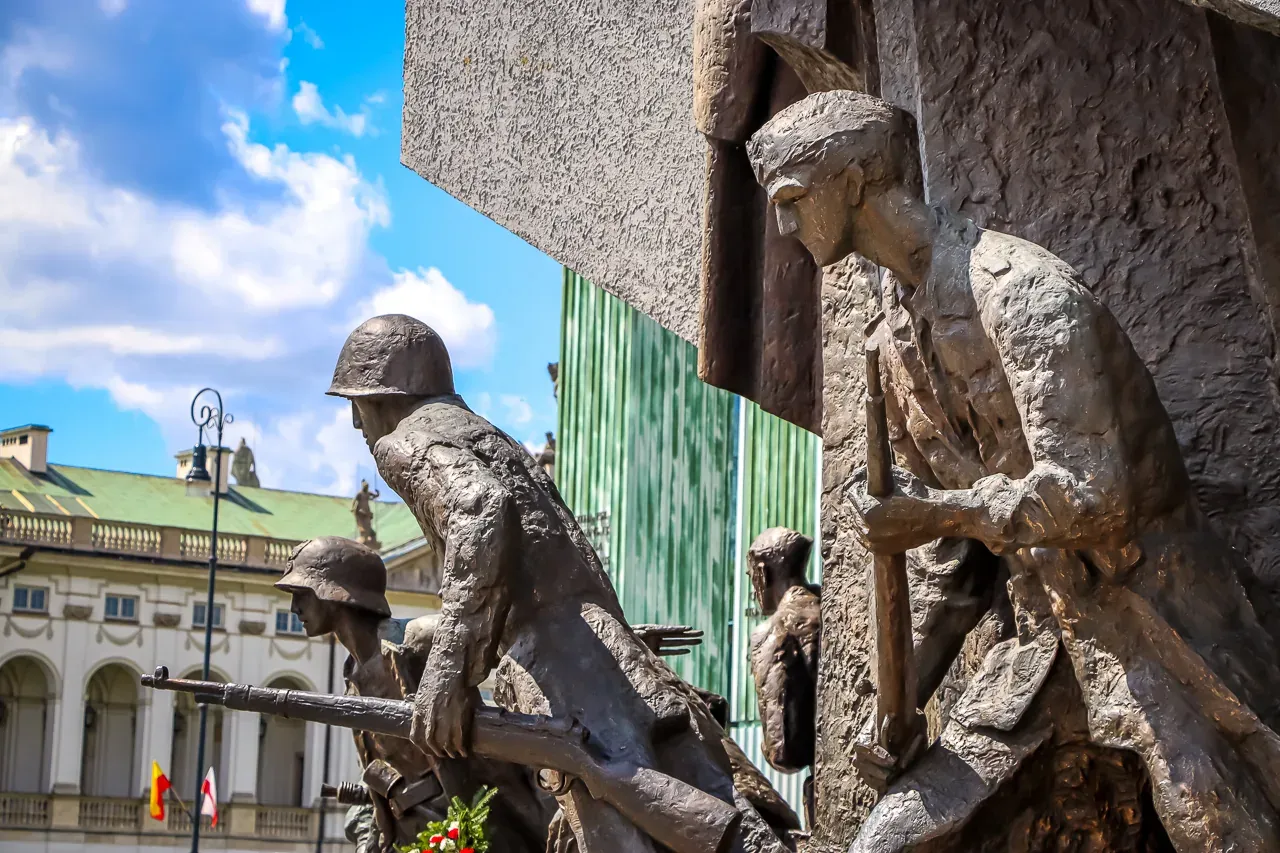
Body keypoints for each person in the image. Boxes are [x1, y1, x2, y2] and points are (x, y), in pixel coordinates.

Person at [747, 90, 1280, 851]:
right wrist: (904, 700)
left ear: (857, 178)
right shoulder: (892, 351)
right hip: (1041, 652)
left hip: (1155, 628)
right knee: (886, 843)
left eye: (794, 199)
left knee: (1222, 831)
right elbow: (953, 573)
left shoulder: (1020, 289)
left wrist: (935, 513)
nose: (784, 227)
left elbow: (1097, 495)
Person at [325, 315, 789, 853]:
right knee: (713, 800)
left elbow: (479, 510)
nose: (358, 426)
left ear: (380, 396)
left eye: (355, 405)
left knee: (626, 827)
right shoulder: (485, 434)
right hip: (596, 641)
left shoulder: (405, 442)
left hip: (553, 663)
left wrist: (445, 677)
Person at [276, 537, 555, 853]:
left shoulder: (419, 640)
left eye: (301, 594)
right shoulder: (352, 674)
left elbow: (527, 647)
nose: (294, 607)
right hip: (415, 834)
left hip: (479, 825)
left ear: (333, 592)